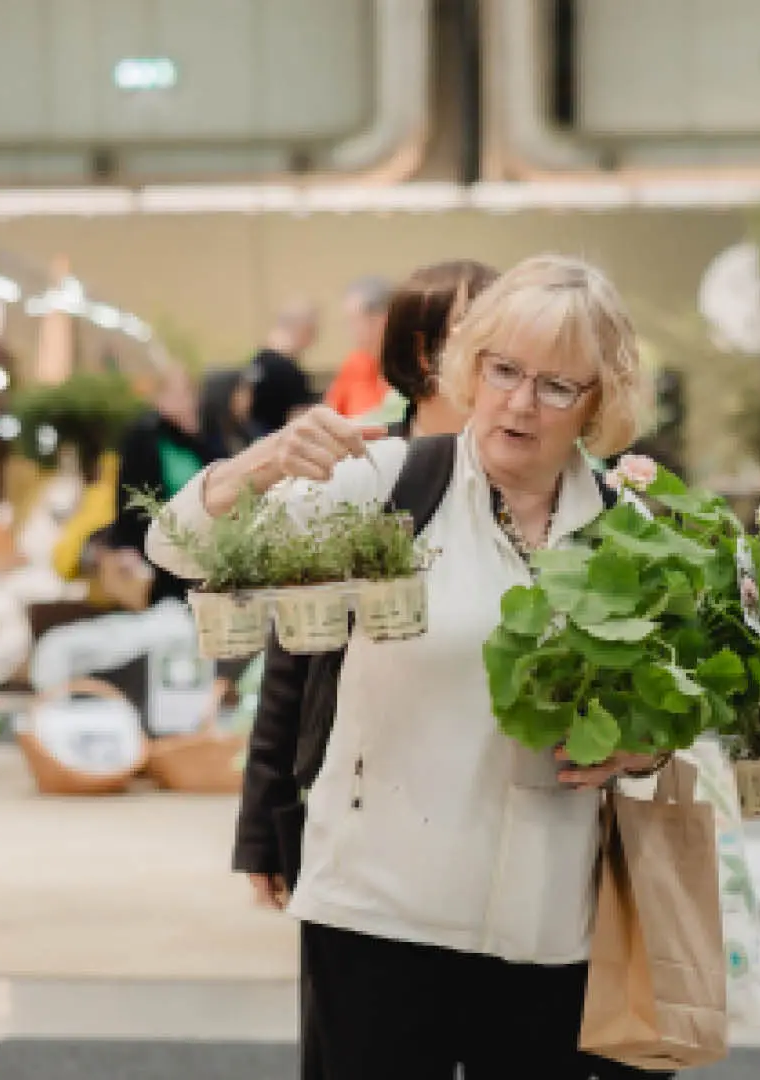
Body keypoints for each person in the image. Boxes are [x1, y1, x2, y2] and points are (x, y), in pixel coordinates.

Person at [148, 255, 664, 1080]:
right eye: (503, 370)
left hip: (547, 926)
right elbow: (177, 545)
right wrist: (260, 464)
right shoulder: (385, 483)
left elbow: (677, 708)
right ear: (470, 367)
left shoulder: (631, 531)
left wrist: (643, 746)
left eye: (558, 386)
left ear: (599, 401)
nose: (521, 403)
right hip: (378, 917)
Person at [236, 259, 499, 1080]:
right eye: (475, 332)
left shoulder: (540, 482)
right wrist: (265, 821)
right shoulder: (366, 469)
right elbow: (295, 654)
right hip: (364, 831)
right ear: (422, 353)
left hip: (500, 833)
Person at [96, 365, 216, 609]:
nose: (185, 401)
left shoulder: (199, 439)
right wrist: (126, 546)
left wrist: (195, 434)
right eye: (176, 393)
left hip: (198, 548)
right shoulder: (143, 437)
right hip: (155, 548)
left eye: (188, 393)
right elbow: (129, 496)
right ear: (160, 397)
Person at [246, 300, 321, 437]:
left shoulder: (257, 361)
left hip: (254, 445)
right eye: (313, 331)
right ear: (303, 329)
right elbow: (300, 424)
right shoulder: (290, 372)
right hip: (279, 446)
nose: (314, 339)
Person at [323, 276, 395, 418]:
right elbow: (331, 416)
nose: (349, 330)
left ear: (382, 319)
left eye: (353, 321)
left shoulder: (411, 365)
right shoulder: (355, 363)